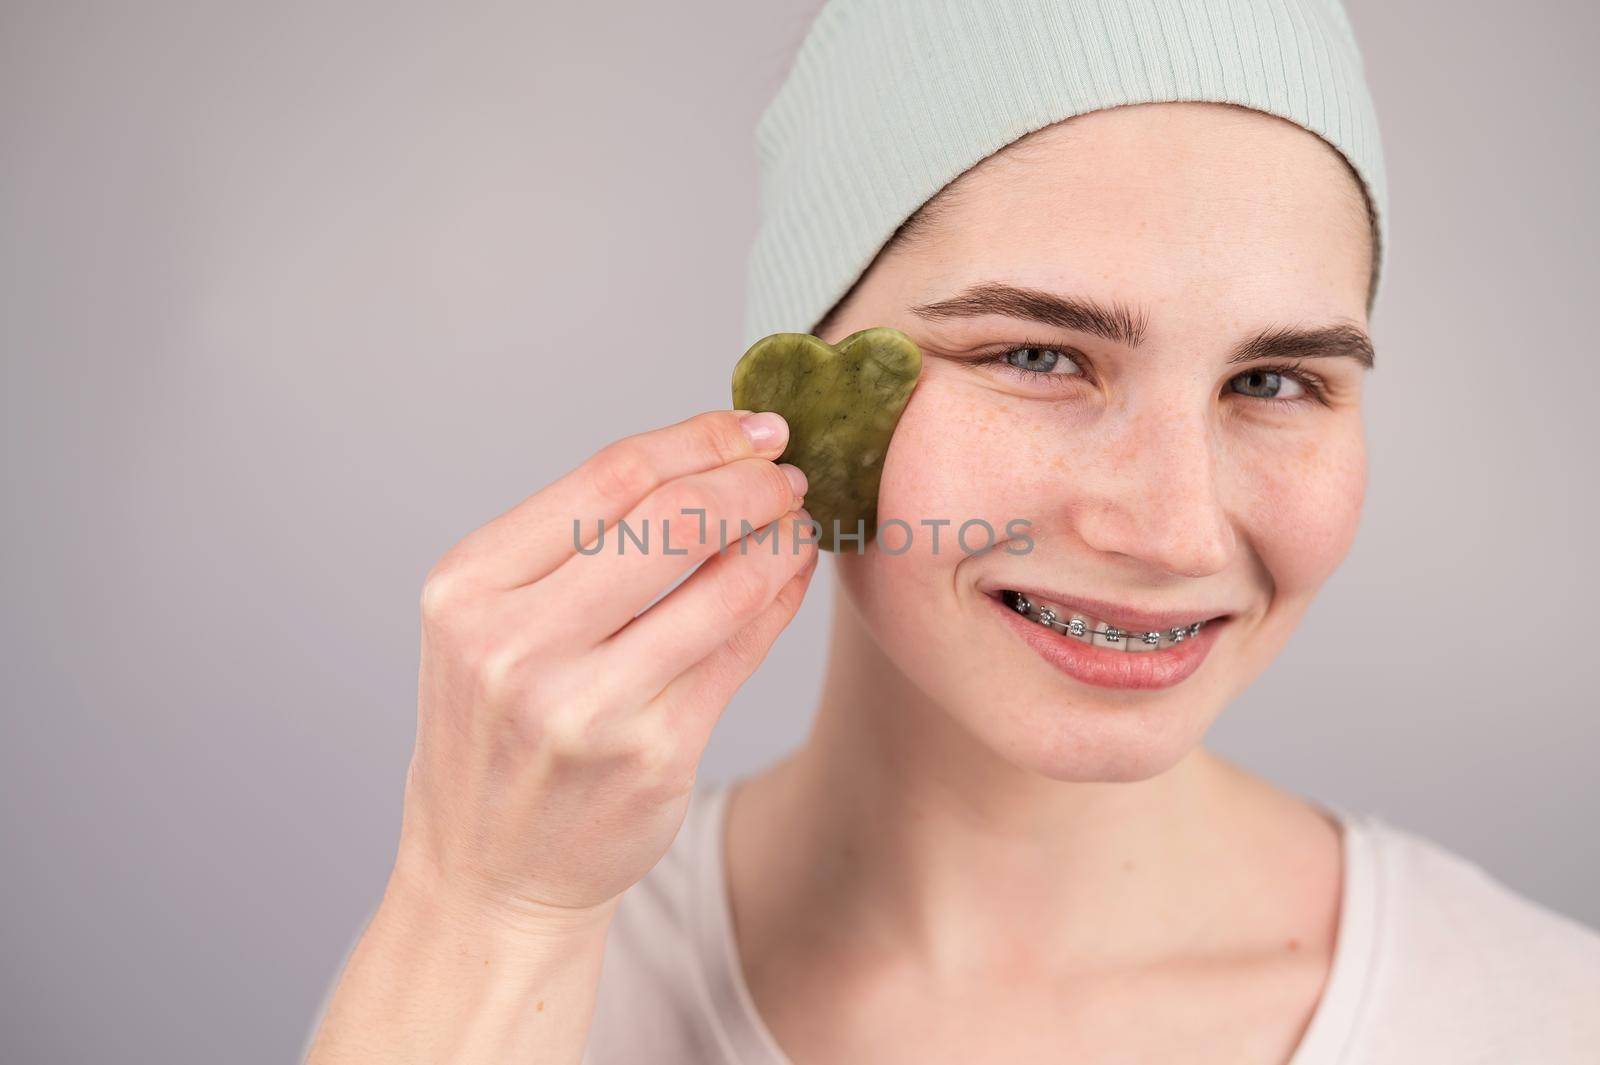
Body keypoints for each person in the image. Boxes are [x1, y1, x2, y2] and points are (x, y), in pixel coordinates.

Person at [303, 1, 1600, 1062]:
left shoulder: (1543, 1017)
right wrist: (485, 912)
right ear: (801, 396)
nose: (1173, 527)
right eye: (1040, 353)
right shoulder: (501, 980)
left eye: (1273, 382)